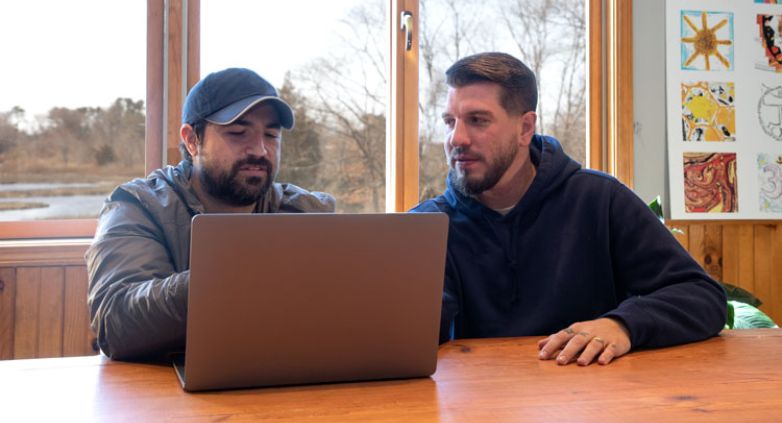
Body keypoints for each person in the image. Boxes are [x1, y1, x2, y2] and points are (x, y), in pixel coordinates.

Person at [411, 52, 726, 366]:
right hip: (475, 405)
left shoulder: (600, 200)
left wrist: (622, 324)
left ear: (525, 128)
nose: (457, 138)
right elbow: (406, 328)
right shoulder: (427, 227)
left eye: (477, 120)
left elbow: (703, 297)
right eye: (450, 122)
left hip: (588, 399)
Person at [86, 68, 335, 360]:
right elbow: (115, 323)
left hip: (283, 383)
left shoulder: (302, 212)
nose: (260, 149)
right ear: (192, 140)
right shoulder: (137, 205)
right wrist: (230, 278)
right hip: (168, 394)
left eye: (271, 135)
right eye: (238, 133)